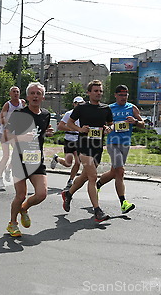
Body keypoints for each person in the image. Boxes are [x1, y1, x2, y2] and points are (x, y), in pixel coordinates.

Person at [6, 82, 54, 237]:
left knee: (42, 194)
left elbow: (41, 131)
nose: (35, 96)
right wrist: (20, 137)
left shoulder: (46, 115)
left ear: (43, 97)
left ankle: (24, 208)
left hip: (37, 159)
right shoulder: (19, 114)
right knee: (20, 195)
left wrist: (48, 132)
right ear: (27, 96)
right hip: (20, 160)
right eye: (32, 93)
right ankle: (12, 223)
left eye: (38, 93)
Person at [61, 80, 113, 222]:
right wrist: (80, 129)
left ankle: (68, 194)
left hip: (98, 147)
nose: (98, 93)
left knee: (84, 177)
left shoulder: (105, 108)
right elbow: (69, 123)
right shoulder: (82, 108)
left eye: (100, 91)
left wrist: (109, 129)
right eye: (95, 91)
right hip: (83, 146)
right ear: (89, 93)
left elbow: (111, 124)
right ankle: (97, 211)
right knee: (93, 177)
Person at [96, 85, 143, 214]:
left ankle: (98, 184)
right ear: (115, 95)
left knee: (114, 171)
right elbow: (103, 124)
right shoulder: (109, 108)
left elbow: (143, 124)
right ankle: (123, 203)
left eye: (126, 95)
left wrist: (135, 122)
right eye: (121, 95)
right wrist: (107, 129)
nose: (123, 97)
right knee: (120, 171)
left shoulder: (132, 108)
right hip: (113, 143)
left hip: (125, 144)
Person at [50, 96, 85, 190]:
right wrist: (72, 128)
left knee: (78, 162)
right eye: (77, 103)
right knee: (68, 163)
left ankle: (70, 180)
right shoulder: (69, 114)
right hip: (69, 140)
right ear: (74, 104)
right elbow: (60, 126)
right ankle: (57, 159)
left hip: (79, 140)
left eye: (81, 103)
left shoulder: (84, 114)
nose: (79, 105)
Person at [0, 86, 26, 188]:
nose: (16, 93)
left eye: (17, 91)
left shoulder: (22, 103)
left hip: (16, 134)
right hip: (5, 133)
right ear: (10, 94)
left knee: (17, 154)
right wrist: (9, 122)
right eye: (13, 92)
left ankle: (8, 170)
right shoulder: (7, 105)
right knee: (6, 155)